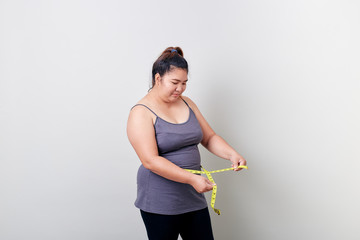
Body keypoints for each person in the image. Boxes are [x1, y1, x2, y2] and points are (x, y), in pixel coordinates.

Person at [127, 46, 247, 240]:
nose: (180, 89)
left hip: (192, 195)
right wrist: (192, 179)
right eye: (174, 82)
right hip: (161, 200)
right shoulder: (140, 113)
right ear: (158, 78)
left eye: (184, 83)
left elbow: (209, 137)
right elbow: (150, 160)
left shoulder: (187, 103)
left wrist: (232, 154)